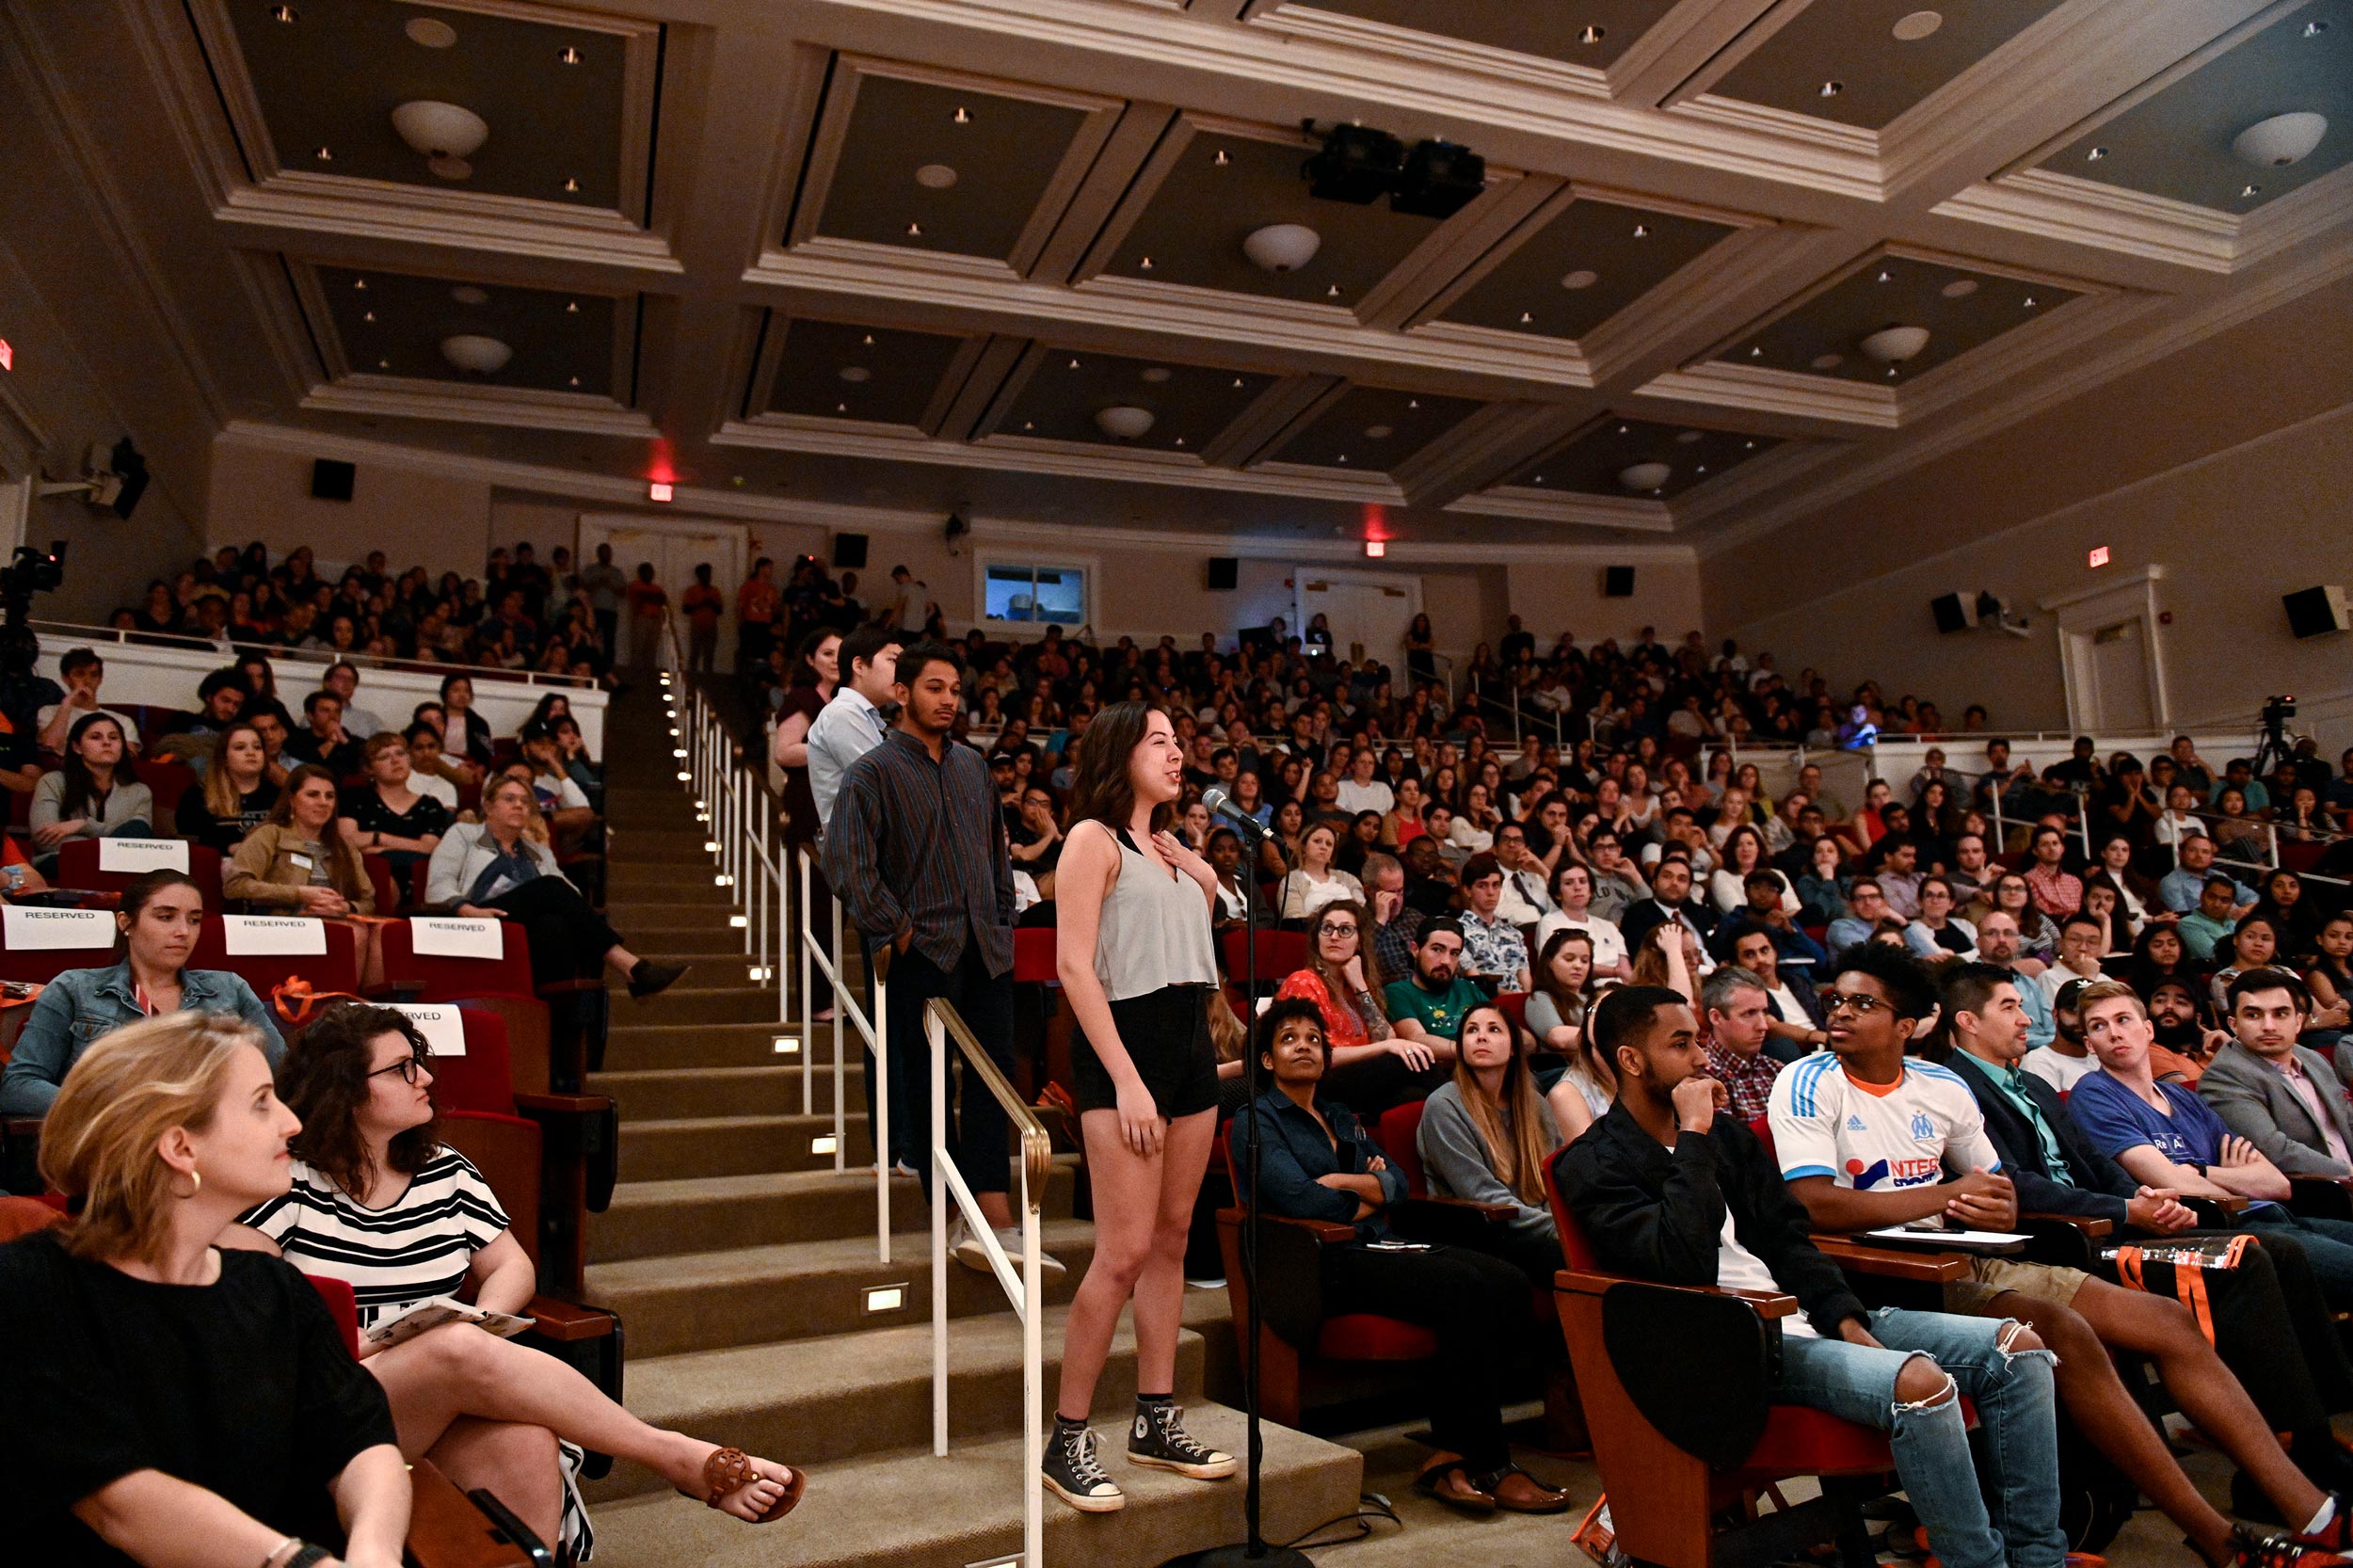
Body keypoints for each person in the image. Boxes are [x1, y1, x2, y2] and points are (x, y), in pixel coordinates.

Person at [1773, 950, 2349, 1567]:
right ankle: (2218, 1540)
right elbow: (1813, 1204)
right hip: (1885, 1272)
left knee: (2166, 1320)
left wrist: (1991, 1208)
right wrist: (1950, 1195)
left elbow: (1995, 1189)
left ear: (1908, 1022)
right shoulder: (1808, 1080)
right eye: (1836, 999)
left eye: (1863, 1003)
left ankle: (2312, 1511)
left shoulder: (1940, 1086)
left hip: (1967, 1251)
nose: (1840, 1012)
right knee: (2065, 1332)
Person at [226, 1005, 803, 1551]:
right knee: (450, 1347)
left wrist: (480, 1318)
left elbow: (512, 1265)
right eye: (402, 1069)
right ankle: (672, 1455)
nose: (425, 1076)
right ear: (345, 1090)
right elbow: (249, 1323)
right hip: (322, 1406)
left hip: (428, 1393)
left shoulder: (444, 1169)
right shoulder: (287, 1181)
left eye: (421, 1060)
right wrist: (394, 1341)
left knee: (526, 1442)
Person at [1560, 984, 2073, 1568]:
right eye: (1681, 1044)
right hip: (1736, 1345)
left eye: (1699, 1040)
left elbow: (1785, 1238)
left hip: (1802, 1316)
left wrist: (1845, 1316)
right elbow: (1681, 1259)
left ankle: (2038, 1559)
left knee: (2020, 1352)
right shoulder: (1594, 1163)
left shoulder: (1727, 1139)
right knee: (1920, 1384)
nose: (1703, 1057)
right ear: (1631, 1060)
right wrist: (1693, 1138)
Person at [1932, 962, 2353, 1511]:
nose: (2025, 1018)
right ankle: (2278, 1464)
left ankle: (2312, 1437)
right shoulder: (1954, 1084)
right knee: (2251, 1256)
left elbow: (2091, 1160)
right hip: (2070, 1242)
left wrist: (2143, 1199)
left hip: (2113, 1221)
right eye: (2010, 1007)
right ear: (1968, 1021)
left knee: (2277, 1252)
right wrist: (2127, 1208)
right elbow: (2015, 1187)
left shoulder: (2028, 1081)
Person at [0, 1012, 411, 1568]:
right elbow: (121, 1505)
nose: (292, 1122)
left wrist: (374, 1554)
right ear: (180, 1147)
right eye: (263, 1101)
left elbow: (360, 1443)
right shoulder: (29, 1290)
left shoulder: (273, 1288)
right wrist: (302, 1563)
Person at [1233, 999, 1568, 1513]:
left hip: (1377, 1243)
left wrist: (1352, 1183)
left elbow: (1397, 1184)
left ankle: (1451, 1453)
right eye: (1289, 1039)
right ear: (1268, 1060)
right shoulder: (1256, 1121)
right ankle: (1489, 1461)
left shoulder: (1339, 1115)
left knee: (1504, 1279)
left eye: (1314, 1039)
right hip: (1322, 1259)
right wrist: (1367, 1190)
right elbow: (1299, 1198)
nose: (1304, 1046)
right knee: (1464, 1285)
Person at [1043, 701, 1232, 1512]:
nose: (1177, 752)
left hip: (1189, 1046)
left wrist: (1209, 882)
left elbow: (1195, 955)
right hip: (1128, 1049)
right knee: (1120, 1253)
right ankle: (1067, 1438)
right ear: (1120, 752)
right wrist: (1124, 1079)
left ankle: (1156, 1418)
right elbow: (1076, 969)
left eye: (1180, 741)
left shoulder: (1176, 850)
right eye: (1160, 740)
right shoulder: (1092, 839)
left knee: (1172, 1239)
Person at [825, 643, 1050, 1272]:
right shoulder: (871, 772)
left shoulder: (975, 767)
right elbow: (845, 861)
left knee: (991, 1080)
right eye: (934, 687)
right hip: (922, 949)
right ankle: (951, 1213)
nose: (949, 699)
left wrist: (1003, 916)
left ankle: (995, 1214)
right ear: (903, 694)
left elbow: (994, 853)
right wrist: (894, 929)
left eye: (955, 688)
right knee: (927, 1088)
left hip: (987, 947)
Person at [2067, 980, 2353, 1313]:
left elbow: (2276, 1183)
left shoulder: (2184, 1098)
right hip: (2217, 1233)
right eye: (2099, 1026)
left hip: (2274, 1216)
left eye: (2123, 1020)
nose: (2114, 1033)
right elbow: (2171, 1183)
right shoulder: (2094, 1095)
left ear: (2147, 1029)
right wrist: (2231, 1181)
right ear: (2089, 1044)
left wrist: (2202, 1171)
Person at [0, 870, 282, 1116]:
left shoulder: (229, 989)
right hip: (111, 1147)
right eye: (166, 917)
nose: (183, 931)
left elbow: (285, 1076)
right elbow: (19, 1085)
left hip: (210, 1146)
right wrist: (113, 1111)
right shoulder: (74, 989)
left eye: (194, 920)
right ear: (125, 923)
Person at [425, 776, 684, 1000]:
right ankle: (632, 968)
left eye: (525, 801)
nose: (519, 805)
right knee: (549, 887)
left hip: (526, 930)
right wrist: (466, 910)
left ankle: (555, 1014)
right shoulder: (464, 835)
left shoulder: (537, 852)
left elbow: (571, 896)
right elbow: (438, 885)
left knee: (555, 924)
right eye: (509, 798)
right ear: (488, 805)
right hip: (478, 920)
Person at [1417, 999, 1565, 1284]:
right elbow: (1482, 1196)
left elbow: (1555, 1180)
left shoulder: (1535, 1104)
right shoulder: (1444, 1106)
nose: (1481, 1036)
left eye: (1494, 1029)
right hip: (1484, 1233)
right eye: (1471, 1030)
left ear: (1512, 1049)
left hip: (1537, 1228)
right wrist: (1560, 1230)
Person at [1272, 902, 1442, 1120]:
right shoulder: (1303, 982)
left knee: (1413, 1098)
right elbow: (1318, 1055)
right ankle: (1471, 1117)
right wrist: (1386, 1048)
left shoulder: (1356, 987)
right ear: (1317, 937)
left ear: (1359, 942)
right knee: (1406, 1059)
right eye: (1327, 928)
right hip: (1318, 1081)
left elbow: (1385, 1036)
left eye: (1345, 930)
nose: (1334, 937)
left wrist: (1360, 985)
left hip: (1360, 1082)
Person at [2196, 969, 2353, 1177]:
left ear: (2298, 1021)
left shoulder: (2314, 1060)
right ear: (2234, 1025)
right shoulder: (2223, 1077)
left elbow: (2348, 1120)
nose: (2268, 1026)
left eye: (2280, 1014)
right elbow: (2273, 1150)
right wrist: (2348, 1172)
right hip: (2315, 1194)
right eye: (2253, 1015)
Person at [225, 765, 377, 918]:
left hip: (334, 920)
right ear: (291, 800)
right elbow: (236, 886)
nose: (323, 802)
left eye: (329, 796)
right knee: (356, 933)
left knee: (373, 930)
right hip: (283, 922)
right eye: (313, 795)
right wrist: (298, 894)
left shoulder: (344, 846)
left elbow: (367, 901)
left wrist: (344, 907)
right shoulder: (270, 834)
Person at [805, 625, 899, 833]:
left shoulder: (864, 715)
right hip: (855, 848)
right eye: (893, 660)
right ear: (859, 665)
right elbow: (887, 786)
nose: (902, 673)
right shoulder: (843, 714)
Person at [338, 733, 454, 893]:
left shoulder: (430, 805)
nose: (395, 760)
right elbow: (347, 840)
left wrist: (377, 839)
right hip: (367, 877)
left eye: (400, 753)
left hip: (419, 881)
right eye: (384, 757)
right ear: (369, 768)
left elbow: (429, 847)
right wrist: (408, 846)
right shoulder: (354, 797)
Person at [31, 712, 153, 863]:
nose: (107, 742)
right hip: (66, 861)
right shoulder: (52, 782)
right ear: (77, 747)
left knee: (137, 827)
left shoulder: (140, 791)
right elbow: (44, 839)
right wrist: (105, 849)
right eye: (96, 737)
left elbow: (138, 843)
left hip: (121, 864)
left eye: (113, 737)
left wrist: (84, 825)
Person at [176, 722, 282, 855]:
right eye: (240, 747)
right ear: (224, 758)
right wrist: (230, 848)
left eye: (257, 747)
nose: (251, 752)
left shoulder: (278, 796)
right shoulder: (197, 795)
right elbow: (192, 844)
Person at [1381, 918, 1481, 1054]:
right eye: (1437, 949)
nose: (1446, 961)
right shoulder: (1398, 992)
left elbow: (1502, 1026)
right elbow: (1416, 1039)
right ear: (1415, 949)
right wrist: (1473, 1052)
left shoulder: (1467, 988)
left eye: (1454, 953)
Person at [1701, 965, 1785, 1122]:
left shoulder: (1776, 1070)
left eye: (1764, 1012)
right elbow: (1730, 1144)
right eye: (1749, 1013)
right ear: (1716, 1018)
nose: (1763, 1026)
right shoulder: (1701, 1077)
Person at [36, 647, 142, 755]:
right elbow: (50, 743)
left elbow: (130, 759)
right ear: (66, 678)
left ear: (100, 679)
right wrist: (67, 704)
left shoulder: (123, 721)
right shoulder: (48, 711)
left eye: (94, 675)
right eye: (79, 674)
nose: (87, 681)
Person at [1533, 861, 1629, 981]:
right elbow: (1557, 967)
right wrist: (1615, 972)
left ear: (1591, 891)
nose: (1577, 887)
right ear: (1558, 894)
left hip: (1618, 991)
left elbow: (1626, 971)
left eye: (1583, 881)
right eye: (1569, 883)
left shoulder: (1608, 926)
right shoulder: (1550, 922)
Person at [1454, 853, 1530, 992]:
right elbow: (1475, 983)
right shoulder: (1457, 932)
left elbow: (1525, 980)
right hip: (1483, 1005)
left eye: (1496, 885)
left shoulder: (1513, 933)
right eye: (1482, 886)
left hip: (1520, 1004)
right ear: (1467, 890)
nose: (1491, 892)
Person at [1275, 822, 1364, 923]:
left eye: (1329, 844)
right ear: (1304, 847)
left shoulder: (1348, 879)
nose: (1324, 847)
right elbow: (1294, 919)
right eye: (1317, 841)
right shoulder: (1292, 880)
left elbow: (1361, 915)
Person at [285, 691, 365, 780]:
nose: (333, 716)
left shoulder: (348, 738)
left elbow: (366, 760)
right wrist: (331, 741)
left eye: (337, 711)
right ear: (310, 715)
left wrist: (343, 739)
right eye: (325, 710)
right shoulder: (298, 739)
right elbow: (309, 766)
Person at [581, 542, 627, 655]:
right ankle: (591, 663)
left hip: (610, 611)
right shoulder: (591, 570)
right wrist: (598, 584)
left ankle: (608, 667)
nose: (606, 555)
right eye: (603, 552)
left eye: (608, 553)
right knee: (591, 637)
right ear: (598, 554)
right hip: (594, 610)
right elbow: (583, 588)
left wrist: (610, 586)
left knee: (609, 640)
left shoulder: (617, 572)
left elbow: (623, 593)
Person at [680, 563, 725, 673]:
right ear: (699, 575)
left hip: (711, 626)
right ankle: (692, 677)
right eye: (705, 574)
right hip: (697, 626)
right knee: (694, 653)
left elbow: (720, 611)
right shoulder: (692, 590)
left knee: (709, 655)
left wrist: (712, 604)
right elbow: (686, 609)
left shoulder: (715, 591)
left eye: (709, 574)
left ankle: (707, 678)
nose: (708, 576)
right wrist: (701, 604)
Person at [625, 562, 667, 676]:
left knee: (652, 647)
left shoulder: (657, 587)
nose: (650, 574)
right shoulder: (635, 585)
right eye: (647, 572)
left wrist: (648, 597)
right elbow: (641, 597)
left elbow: (663, 600)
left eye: (651, 572)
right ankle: (635, 672)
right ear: (641, 573)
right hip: (641, 618)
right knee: (638, 646)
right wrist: (652, 597)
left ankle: (649, 672)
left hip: (655, 619)